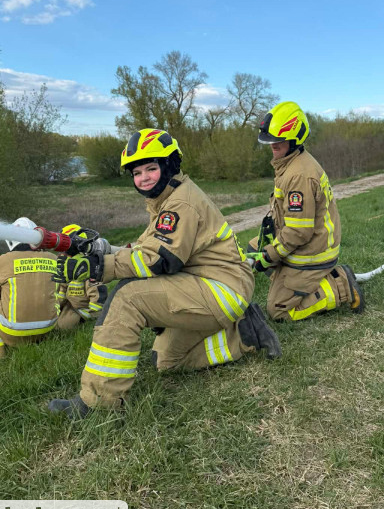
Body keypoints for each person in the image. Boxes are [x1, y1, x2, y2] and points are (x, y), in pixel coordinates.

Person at [48, 128, 281, 420]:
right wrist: (102, 251)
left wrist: (98, 267)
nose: (143, 177)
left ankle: (99, 402)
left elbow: (158, 261)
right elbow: (146, 248)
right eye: (136, 172)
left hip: (219, 289)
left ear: (169, 165)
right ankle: (245, 335)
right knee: (166, 360)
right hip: (216, 287)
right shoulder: (168, 198)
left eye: (151, 168)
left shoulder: (180, 203)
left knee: (126, 298)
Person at [246, 101, 365, 322]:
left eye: (278, 140)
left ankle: (339, 285)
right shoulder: (290, 163)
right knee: (253, 248)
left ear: (294, 139)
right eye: (271, 140)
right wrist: (266, 250)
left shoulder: (299, 175)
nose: (273, 145)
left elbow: (299, 233)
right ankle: (289, 282)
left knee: (278, 311)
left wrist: (270, 255)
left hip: (312, 252)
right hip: (303, 243)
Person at [0, 217, 60, 359]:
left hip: (13, 333)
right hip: (49, 326)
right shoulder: (53, 258)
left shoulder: (4, 260)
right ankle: (37, 341)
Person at [56, 223, 108, 330]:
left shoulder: (86, 266)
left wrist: (92, 316)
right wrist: (57, 306)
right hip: (71, 304)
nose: (61, 253)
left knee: (62, 327)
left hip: (83, 310)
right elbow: (62, 288)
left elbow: (97, 293)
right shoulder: (67, 265)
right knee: (53, 320)